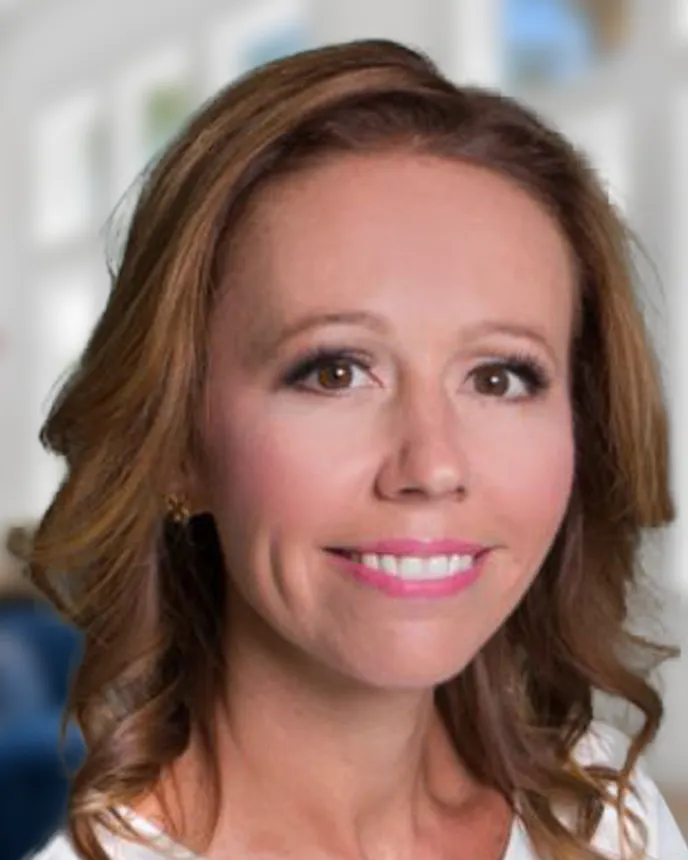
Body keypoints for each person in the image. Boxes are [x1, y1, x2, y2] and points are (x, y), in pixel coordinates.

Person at [26, 39, 688, 860]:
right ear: (178, 448)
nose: (432, 465)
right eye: (335, 371)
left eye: (500, 378)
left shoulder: (611, 822)